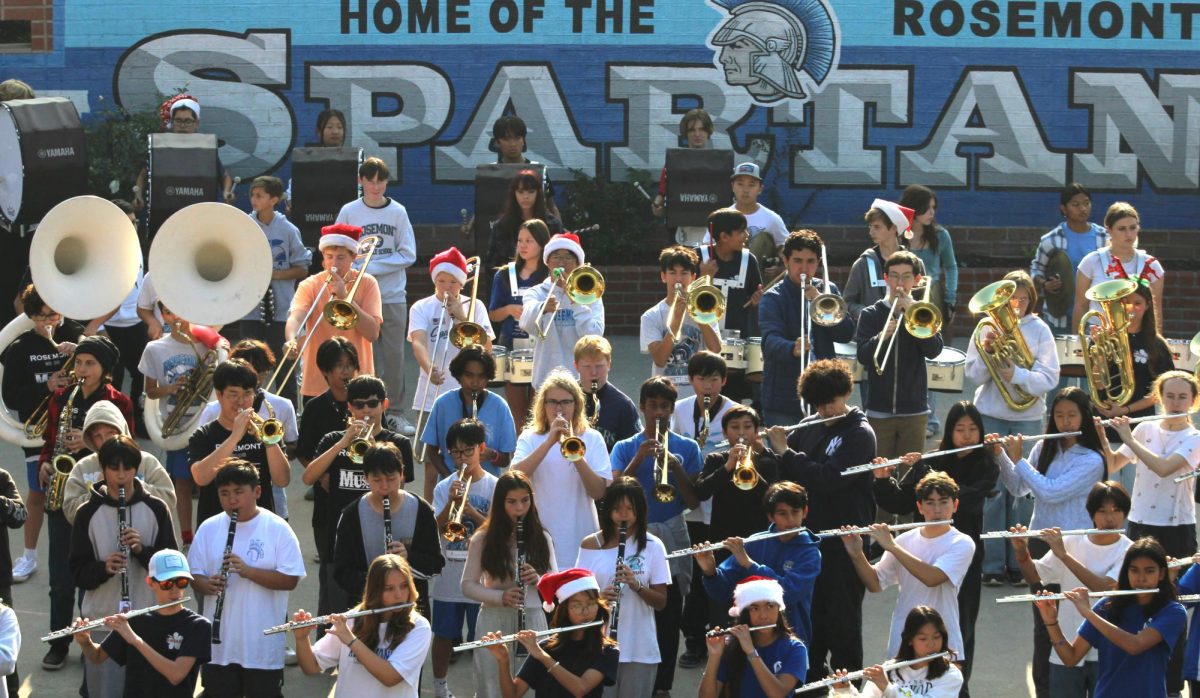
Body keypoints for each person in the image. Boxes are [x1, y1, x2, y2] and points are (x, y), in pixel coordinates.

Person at [870, 401, 998, 692]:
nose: (966, 436)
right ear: (949, 432)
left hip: (960, 559)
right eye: (959, 429)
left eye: (973, 429)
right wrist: (883, 479)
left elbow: (970, 499)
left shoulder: (985, 463)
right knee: (915, 633)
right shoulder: (932, 460)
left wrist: (931, 478)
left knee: (958, 629)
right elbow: (900, 502)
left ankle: (957, 689)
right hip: (921, 551)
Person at [765, 359, 876, 684]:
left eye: (831, 402)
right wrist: (768, 452)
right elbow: (790, 474)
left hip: (845, 544)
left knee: (843, 625)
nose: (826, 410)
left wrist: (786, 452)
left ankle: (849, 687)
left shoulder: (860, 434)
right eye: (819, 404)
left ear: (845, 393)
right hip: (808, 541)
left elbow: (827, 478)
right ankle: (809, 685)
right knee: (809, 621)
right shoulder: (810, 424)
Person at [995, 386, 1106, 697]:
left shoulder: (1092, 459)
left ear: (1085, 417)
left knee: (1071, 622)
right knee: (1043, 623)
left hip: (1073, 548)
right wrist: (1002, 456)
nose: (1066, 422)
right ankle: (1045, 691)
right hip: (1041, 543)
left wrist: (1019, 460)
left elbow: (1051, 491)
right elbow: (1019, 487)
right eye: (1059, 416)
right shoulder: (1044, 448)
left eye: (1072, 415)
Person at [36, 335, 134, 671]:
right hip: (64, 493)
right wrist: (46, 463)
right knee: (60, 579)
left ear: (105, 369)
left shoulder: (119, 402)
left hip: (101, 501)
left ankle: (91, 639)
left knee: (90, 576)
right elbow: (49, 440)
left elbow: (129, 452)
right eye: (78, 362)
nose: (81, 369)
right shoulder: (62, 397)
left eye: (89, 363)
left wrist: (92, 447)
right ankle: (58, 642)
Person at [962, 270, 1059, 586]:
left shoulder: (1040, 329)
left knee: (1022, 492)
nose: (1015, 304)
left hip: (1026, 418)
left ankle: (1019, 562)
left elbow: (1049, 378)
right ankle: (991, 564)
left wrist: (1016, 374)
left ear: (1031, 298)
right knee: (993, 492)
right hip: (990, 416)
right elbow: (973, 376)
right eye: (1010, 298)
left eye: (1022, 298)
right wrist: (989, 355)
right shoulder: (986, 326)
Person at [610, 378, 701, 694]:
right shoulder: (624, 447)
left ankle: (662, 685)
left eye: (665, 407)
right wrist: (638, 460)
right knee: (631, 606)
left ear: (672, 410)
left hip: (672, 531)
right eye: (653, 406)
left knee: (670, 609)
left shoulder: (688, 448)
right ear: (642, 407)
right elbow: (614, 493)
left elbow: (692, 502)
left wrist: (675, 468)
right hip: (635, 533)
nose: (659, 413)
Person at [69, 435, 177, 698]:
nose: (121, 475)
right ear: (103, 469)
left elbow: (173, 569)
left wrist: (142, 552)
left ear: (136, 469)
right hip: (104, 621)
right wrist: (104, 568)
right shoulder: (86, 513)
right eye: (113, 468)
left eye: (127, 468)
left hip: (149, 622)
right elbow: (77, 572)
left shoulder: (156, 507)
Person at [187, 459, 305, 697]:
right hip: (219, 648)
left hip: (261, 647)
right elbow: (193, 575)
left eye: (239, 492)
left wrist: (248, 571)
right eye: (225, 493)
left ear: (257, 492)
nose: (232, 500)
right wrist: (205, 585)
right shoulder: (208, 528)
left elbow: (290, 579)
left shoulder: (277, 528)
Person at [1009, 482, 1134, 698]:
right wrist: (1022, 552)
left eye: (1116, 511)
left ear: (1125, 513)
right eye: (1102, 511)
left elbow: (1102, 587)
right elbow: (1034, 576)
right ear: (1092, 514)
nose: (1109, 518)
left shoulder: (1129, 550)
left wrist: (1063, 555)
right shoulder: (1071, 541)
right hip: (1066, 646)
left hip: (1108, 651)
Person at [305, 376, 415, 614]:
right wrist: (343, 442)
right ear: (349, 407)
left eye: (372, 404)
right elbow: (308, 477)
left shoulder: (398, 443)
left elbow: (401, 491)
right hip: (339, 539)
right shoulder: (333, 440)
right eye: (359, 404)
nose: (366, 410)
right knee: (334, 612)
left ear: (384, 405)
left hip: (379, 539)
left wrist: (375, 449)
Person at [843, 471, 975, 663]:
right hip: (904, 640)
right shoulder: (904, 540)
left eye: (944, 502)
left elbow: (932, 578)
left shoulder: (962, 543)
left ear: (955, 505)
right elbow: (875, 583)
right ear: (920, 507)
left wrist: (892, 546)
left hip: (942, 642)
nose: (937, 510)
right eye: (930, 503)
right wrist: (857, 554)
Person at [2, 283, 83, 585]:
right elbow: (11, 397)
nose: (51, 322)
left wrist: (82, 352)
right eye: (43, 316)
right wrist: (46, 386)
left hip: (75, 427)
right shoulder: (20, 348)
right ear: (31, 316)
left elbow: (106, 363)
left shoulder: (75, 334)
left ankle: (81, 554)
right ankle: (29, 556)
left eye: (55, 314)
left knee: (80, 493)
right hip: (39, 433)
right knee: (37, 494)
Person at [1035, 538, 1186, 698]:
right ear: (1126, 572)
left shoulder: (1172, 612)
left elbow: (1135, 645)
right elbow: (1070, 658)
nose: (1141, 578)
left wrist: (1088, 613)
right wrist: (1051, 621)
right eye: (1134, 570)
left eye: (1149, 571)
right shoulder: (1107, 606)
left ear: (1161, 573)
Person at [335, 156, 418, 435]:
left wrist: (370, 266)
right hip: (357, 296)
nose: (375, 185)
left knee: (394, 357)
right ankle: (356, 409)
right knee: (356, 355)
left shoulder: (398, 212)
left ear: (386, 181)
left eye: (380, 179)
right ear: (360, 181)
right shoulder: (348, 210)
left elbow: (408, 253)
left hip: (392, 295)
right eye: (369, 179)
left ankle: (394, 413)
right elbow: (338, 247)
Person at [462, 470, 556, 698]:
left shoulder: (541, 537)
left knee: (532, 688)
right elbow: (467, 585)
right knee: (492, 686)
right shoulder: (482, 539)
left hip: (532, 618)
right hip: (494, 621)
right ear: (500, 503)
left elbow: (557, 582)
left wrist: (540, 580)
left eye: (525, 501)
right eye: (511, 502)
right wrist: (500, 597)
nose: (519, 509)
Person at [410, 246, 495, 499]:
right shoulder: (421, 307)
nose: (447, 286)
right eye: (441, 281)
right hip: (431, 391)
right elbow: (418, 342)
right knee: (430, 460)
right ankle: (430, 507)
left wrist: (460, 317)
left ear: (462, 282)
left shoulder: (474, 306)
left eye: (453, 282)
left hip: (468, 392)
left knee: (470, 453)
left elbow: (485, 348)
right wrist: (429, 368)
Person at [672, 350, 738, 669]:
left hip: (724, 508)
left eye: (714, 379)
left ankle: (724, 638)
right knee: (697, 579)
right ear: (691, 380)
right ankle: (695, 642)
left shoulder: (737, 413)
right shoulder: (680, 411)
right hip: (692, 508)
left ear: (724, 381)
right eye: (701, 378)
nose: (708, 385)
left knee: (723, 576)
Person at [72, 549, 212, 698]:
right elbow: (97, 656)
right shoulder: (136, 621)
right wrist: (85, 642)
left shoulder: (198, 626)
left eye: (181, 582)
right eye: (166, 583)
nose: (174, 590)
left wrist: (136, 640)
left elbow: (176, 675)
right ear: (150, 582)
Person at [575, 477, 670, 697]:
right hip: (597, 645)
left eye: (630, 508)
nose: (623, 515)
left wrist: (636, 585)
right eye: (617, 509)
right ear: (608, 510)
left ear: (640, 511)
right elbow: (575, 598)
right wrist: (598, 599)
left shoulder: (654, 546)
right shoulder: (590, 545)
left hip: (640, 648)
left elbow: (661, 602)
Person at [697, 481, 821, 646]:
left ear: (804, 512)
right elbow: (723, 592)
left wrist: (749, 564)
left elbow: (789, 593)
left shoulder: (810, 552)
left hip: (790, 637)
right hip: (751, 638)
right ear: (771, 516)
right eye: (782, 513)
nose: (790, 520)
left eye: (795, 512)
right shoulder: (755, 542)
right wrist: (710, 572)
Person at [512, 369, 612, 571]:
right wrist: (549, 442)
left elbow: (599, 492)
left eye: (566, 402)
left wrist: (575, 455)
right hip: (542, 539)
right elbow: (514, 478)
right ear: (543, 405)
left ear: (576, 404)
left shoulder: (592, 438)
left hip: (582, 539)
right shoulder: (529, 438)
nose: (559, 408)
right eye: (553, 402)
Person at [292, 554, 432, 698]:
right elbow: (311, 666)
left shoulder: (419, 628)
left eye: (404, 586)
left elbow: (390, 677)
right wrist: (302, 639)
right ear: (375, 591)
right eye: (389, 588)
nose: (399, 595)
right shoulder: (353, 619)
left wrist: (351, 641)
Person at [139, 306, 225, 542]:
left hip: (208, 420)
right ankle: (187, 537)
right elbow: (151, 392)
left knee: (214, 481)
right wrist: (171, 388)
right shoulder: (155, 348)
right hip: (178, 425)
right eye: (167, 312)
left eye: (179, 310)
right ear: (161, 316)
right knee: (182, 482)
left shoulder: (207, 343)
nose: (175, 317)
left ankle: (214, 534)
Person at [430, 419, 499, 698]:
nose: (462, 458)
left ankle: (482, 689)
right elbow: (437, 526)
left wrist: (471, 512)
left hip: (480, 574)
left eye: (467, 451)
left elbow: (497, 532)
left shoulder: (495, 486)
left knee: (482, 638)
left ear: (481, 449)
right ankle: (440, 686)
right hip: (449, 574)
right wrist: (451, 503)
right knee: (444, 634)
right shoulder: (443, 486)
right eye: (455, 453)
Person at [196, 339, 300, 521]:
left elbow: (282, 480)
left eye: (247, 394)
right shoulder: (204, 434)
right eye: (233, 395)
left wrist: (270, 442)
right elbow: (201, 478)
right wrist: (235, 436)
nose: (241, 401)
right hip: (216, 519)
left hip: (262, 520)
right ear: (219, 395)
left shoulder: (267, 432)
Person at [759, 229, 855, 427]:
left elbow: (845, 333)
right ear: (785, 261)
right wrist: (791, 348)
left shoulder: (828, 291)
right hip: (784, 397)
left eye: (811, 261)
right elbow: (769, 341)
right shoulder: (772, 297)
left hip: (826, 393)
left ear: (818, 263)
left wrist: (819, 300)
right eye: (797, 260)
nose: (804, 267)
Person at [855, 250, 943, 460]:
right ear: (885, 278)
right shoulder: (870, 314)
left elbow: (934, 350)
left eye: (906, 276)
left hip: (915, 411)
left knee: (909, 476)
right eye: (894, 276)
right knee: (878, 474)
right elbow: (863, 356)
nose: (899, 282)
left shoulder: (923, 314)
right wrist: (880, 337)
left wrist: (914, 317)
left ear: (917, 280)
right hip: (878, 410)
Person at [332, 443, 443, 608]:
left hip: (411, 610)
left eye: (391, 479)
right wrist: (380, 582)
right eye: (377, 480)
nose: (384, 486)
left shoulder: (422, 510)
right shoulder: (351, 515)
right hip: (367, 609)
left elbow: (436, 565)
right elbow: (342, 572)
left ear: (402, 474)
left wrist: (408, 558)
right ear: (366, 478)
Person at [481, 568, 619, 696]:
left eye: (591, 604)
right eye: (577, 606)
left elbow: (580, 689)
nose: (585, 612)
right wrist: (503, 660)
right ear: (565, 611)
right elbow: (512, 694)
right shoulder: (546, 646)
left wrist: (542, 656)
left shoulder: (607, 650)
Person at [285, 222, 382, 401]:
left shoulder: (367, 283)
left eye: (340, 257)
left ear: (353, 257)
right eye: (329, 257)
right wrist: (291, 339)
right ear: (322, 259)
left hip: (358, 380)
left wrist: (346, 298)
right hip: (317, 382)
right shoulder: (310, 284)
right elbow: (296, 316)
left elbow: (373, 333)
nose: (334, 263)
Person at [295, 338, 358, 612]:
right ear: (325, 371)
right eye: (338, 367)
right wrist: (320, 476)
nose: (345, 373)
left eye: (349, 366)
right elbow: (303, 451)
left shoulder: (365, 403)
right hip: (328, 507)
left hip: (361, 501)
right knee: (330, 579)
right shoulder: (315, 408)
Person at [226, 176, 310, 354]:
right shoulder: (243, 226)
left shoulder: (288, 230)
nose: (253, 200)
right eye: (252, 195)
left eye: (259, 196)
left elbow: (302, 268)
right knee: (248, 365)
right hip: (250, 309)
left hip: (281, 310)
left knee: (283, 363)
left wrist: (272, 274)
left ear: (274, 200)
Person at [899, 185, 958, 436]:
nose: (932, 212)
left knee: (929, 358)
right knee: (904, 356)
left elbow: (951, 267)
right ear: (914, 209)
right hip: (903, 299)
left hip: (931, 300)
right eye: (927, 208)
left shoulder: (941, 236)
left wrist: (951, 298)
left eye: (934, 207)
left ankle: (930, 420)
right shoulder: (900, 234)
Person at [62, 401, 176, 528]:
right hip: (98, 541)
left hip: (144, 539)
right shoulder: (83, 467)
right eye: (97, 436)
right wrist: (98, 491)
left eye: (110, 433)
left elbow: (169, 500)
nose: (105, 441)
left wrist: (134, 486)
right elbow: (70, 512)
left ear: (122, 431)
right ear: (90, 439)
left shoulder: (146, 462)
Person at [518, 233, 605, 388]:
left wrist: (574, 300)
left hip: (580, 379)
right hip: (545, 378)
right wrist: (541, 308)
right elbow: (525, 324)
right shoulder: (536, 293)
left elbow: (594, 336)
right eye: (556, 257)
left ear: (578, 264)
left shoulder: (590, 294)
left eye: (568, 258)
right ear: (547, 262)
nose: (561, 263)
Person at [699, 576, 808, 697]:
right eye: (755, 608)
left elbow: (778, 694)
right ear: (745, 614)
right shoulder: (730, 646)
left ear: (779, 609)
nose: (763, 615)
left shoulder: (795, 648)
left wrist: (751, 652)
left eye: (770, 606)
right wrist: (714, 656)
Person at [695, 208, 762, 405]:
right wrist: (703, 277)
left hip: (736, 343)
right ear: (723, 236)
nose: (746, 235)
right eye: (741, 231)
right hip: (702, 340)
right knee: (701, 393)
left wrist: (756, 298)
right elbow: (685, 295)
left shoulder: (749, 260)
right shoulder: (699, 257)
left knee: (733, 399)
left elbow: (752, 293)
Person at [420, 345, 516, 481]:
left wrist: (492, 455)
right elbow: (431, 451)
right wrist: (450, 480)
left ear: (488, 377)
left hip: (487, 487)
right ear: (459, 374)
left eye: (481, 376)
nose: (475, 382)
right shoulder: (442, 404)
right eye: (469, 375)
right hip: (451, 484)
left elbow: (506, 459)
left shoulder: (500, 407)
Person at [640, 245, 722, 401]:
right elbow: (659, 359)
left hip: (698, 395)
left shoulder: (704, 311)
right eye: (672, 273)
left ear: (693, 277)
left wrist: (697, 312)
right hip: (665, 396)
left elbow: (716, 349)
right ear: (663, 276)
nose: (678, 279)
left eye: (684, 273)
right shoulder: (651, 316)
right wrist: (676, 318)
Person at [827, 605, 964, 697]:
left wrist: (889, 689)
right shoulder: (889, 669)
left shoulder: (951, 675)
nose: (931, 644)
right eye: (923, 639)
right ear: (910, 640)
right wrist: (845, 689)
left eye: (937, 637)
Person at [489, 218, 550, 423]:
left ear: (542, 244)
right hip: (511, 346)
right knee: (517, 413)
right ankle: (517, 453)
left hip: (541, 347)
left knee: (537, 411)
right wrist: (508, 309)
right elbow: (493, 314)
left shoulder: (549, 276)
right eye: (520, 240)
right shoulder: (505, 275)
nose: (522, 245)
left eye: (529, 241)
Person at [1092, 283, 1173, 433]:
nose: (1131, 308)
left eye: (1138, 303)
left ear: (1147, 305)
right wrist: (1099, 351)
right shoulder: (1105, 339)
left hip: (1140, 422)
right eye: (1126, 303)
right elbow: (1098, 384)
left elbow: (1160, 391)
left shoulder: (1157, 344)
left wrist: (1124, 410)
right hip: (1105, 418)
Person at [693, 406, 781, 545]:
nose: (741, 433)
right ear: (724, 433)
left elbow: (773, 499)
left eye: (747, 427)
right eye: (734, 427)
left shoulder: (767, 462)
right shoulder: (716, 459)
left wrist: (751, 468)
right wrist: (728, 466)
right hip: (723, 536)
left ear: (756, 431)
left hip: (757, 535)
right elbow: (700, 493)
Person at [1073, 201, 1164, 334]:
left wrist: (1155, 343)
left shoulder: (1152, 265)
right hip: (1099, 334)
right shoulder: (1091, 262)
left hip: (1138, 335)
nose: (1128, 234)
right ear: (1109, 230)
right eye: (1122, 229)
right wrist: (1078, 343)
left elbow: (1156, 311)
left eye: (1133, 228)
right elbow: (1080, 306)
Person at [132, 94, 236, 211]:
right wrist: (138, 196)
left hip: (199, 213)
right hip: (164, 212)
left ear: (197, 123)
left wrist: (227, 192)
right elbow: (142, 175)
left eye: (188, 121)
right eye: (178, 121)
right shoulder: (160, 147)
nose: (182, 125)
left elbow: (225, 176)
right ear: (172, 122)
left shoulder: (206, 149)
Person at [1030, 183, 1108, 335]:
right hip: (1059, 317)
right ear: (1064, 208)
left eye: (1086, 203)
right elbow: (1036, 270)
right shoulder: (1051, 240)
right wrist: (1045, 284)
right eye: (1076, 204)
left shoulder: (1104, 238)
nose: (1083, 209)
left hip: (1095, 318)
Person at [843, 199, 926, 323]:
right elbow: (847, 303)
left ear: (893, 228)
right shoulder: (862, 264)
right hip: (872, 333)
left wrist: (912, 308)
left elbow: (925, 302)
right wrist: (868, 314)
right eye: (870, 226)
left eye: (877, 227)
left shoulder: (916, 263)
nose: (871, 232)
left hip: (908, 331)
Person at [652, 107, 715, 247]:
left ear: (708, 132)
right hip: (680, 234)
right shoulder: (673, 164)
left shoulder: (721, 164)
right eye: (692, 130)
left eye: (702, 129)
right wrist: (658, 208)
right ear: (685, 133)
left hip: (711, 235)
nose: (697, 134)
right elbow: (660, 199)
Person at [485, 171, 563, 273]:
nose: (526, 196)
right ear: (514, 194)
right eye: (520, 192)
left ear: (538, 193)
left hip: (545, 281)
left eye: (531, 191)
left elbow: (560, 259)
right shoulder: (501, 226)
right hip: (511, 282)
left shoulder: (552, 224)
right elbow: (492, 264)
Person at [575, 335, 640, 453]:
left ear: (609, 365)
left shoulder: (623, 405)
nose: (594, 373)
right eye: (587, 366)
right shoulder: (564, 398)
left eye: (599, 366)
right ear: (576, 366)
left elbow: (632, 451)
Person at [726, 162, 788, 276]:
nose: (745, 190)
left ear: (760, 189)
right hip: (729, 279)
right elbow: (707, 248)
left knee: (762, 238)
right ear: (732, 186)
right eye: (740, 184)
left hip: (761, 283)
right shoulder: (722, 217)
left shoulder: (772, 219)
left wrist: (779, 264)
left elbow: (787, 248)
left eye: (751, 185)